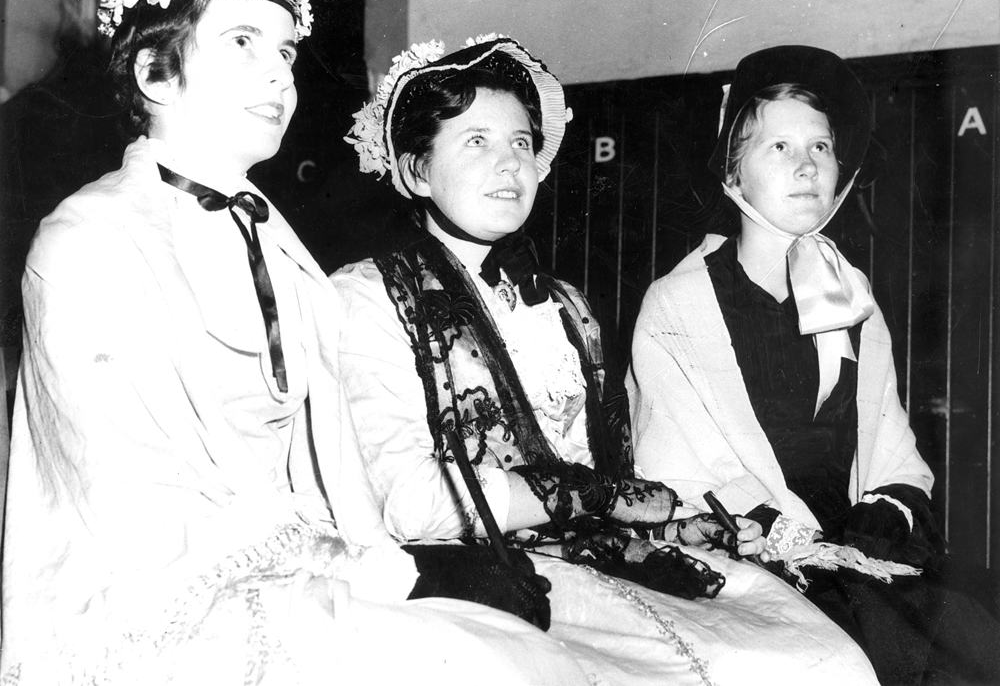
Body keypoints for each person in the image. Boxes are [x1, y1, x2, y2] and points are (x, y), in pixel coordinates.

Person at [0, 0, 593, 685]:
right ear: (155, 71)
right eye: (242, 41)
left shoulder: (287, 251)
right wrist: (373, 574)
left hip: (308, 577)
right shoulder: (88, 238)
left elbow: (338, 474)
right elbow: (132, 507)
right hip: (152, 604)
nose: (280, 75)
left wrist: (397, 569)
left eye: (284, 51)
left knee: (534, 653)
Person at [334, 35, 880, 686]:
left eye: (521, 144)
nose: (509, 165)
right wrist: (595, 494)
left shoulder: (567, 308)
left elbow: (614, 472)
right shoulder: (366, 296)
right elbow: (407, 502)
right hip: (458, 583)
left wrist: (689, 519)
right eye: (476, 141)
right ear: (416, 170)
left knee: (816, 656)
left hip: (582, 565)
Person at [628, 44, 1000, 686]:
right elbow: (678, 466)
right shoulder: (677, 305)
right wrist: (796, 542)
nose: (807, 166)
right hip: (751, 567)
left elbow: (891, 447)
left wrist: (880, 517)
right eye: (779, 148)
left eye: (822, 148)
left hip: (857, 562)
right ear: (733, 172)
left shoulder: (850, 299)